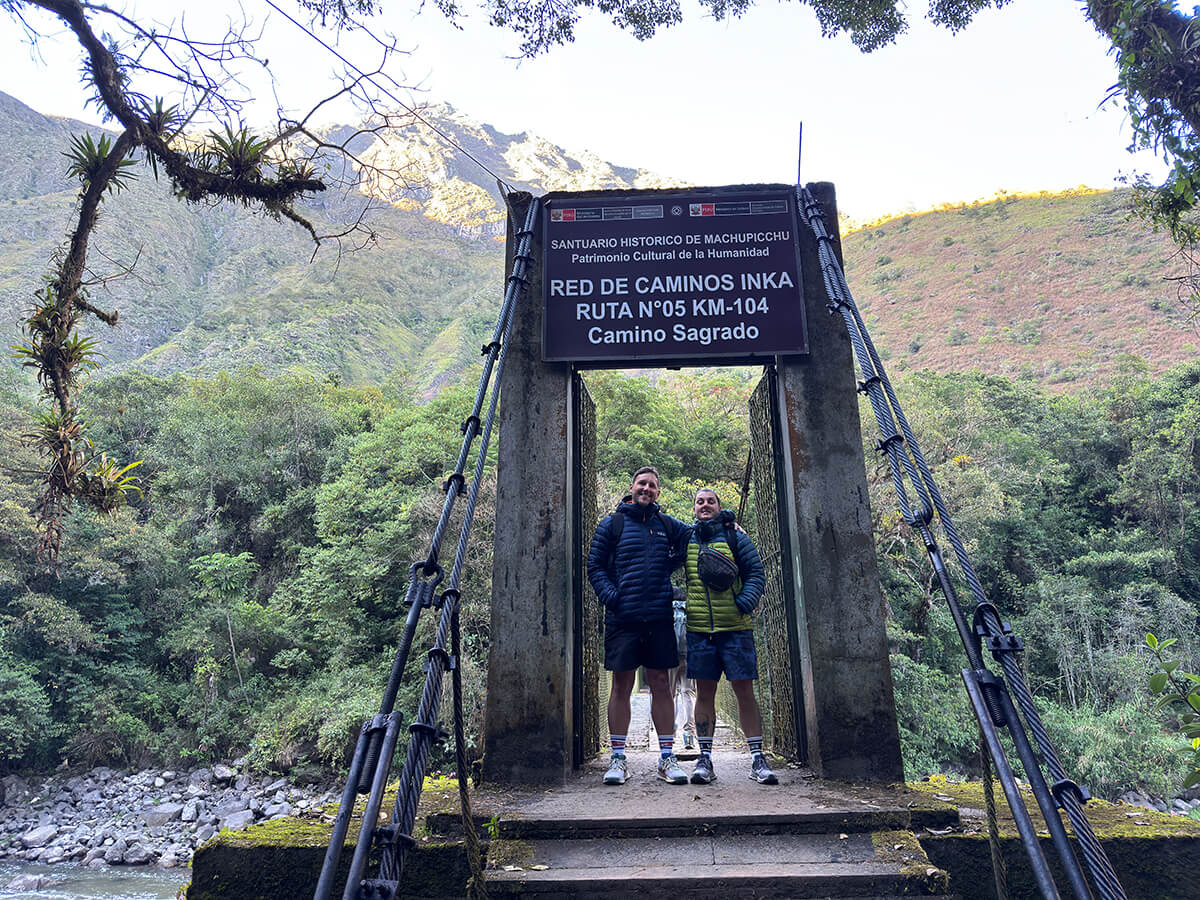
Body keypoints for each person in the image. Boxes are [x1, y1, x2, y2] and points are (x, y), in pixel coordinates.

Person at [587, 466, 690, 786]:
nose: (646, 489)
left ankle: (666, 757)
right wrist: (612, 597)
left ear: (658, 492)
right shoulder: (612, 524)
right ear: (631, 487)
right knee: (621, 684)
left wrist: (726, 525)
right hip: (623, 619)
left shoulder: (664, 524)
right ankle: (618, 758)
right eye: (642, 483)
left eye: (652, 486)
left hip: (659, 617)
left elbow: (691, 537)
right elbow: (595, 566)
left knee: (661, 684)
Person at [683, 488, 777, 785]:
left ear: (719, 506)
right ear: (694, 508)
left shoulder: (735, 536)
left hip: (736, 629)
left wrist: (743, 604)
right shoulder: (685, 538)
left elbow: (756, 573)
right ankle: (705, 759)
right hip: (700, 631)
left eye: (711, 501)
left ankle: (757, 758)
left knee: (744, 692)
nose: (705, 505)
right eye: (700, 501)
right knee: (705, 693)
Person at [668, 588, 697, 750]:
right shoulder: (690, 609)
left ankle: (670, 733)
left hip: (670, 657)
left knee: (670, 695)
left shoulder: (666, 609)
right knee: (688, 693)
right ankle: (689, 735)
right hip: (689, 656)